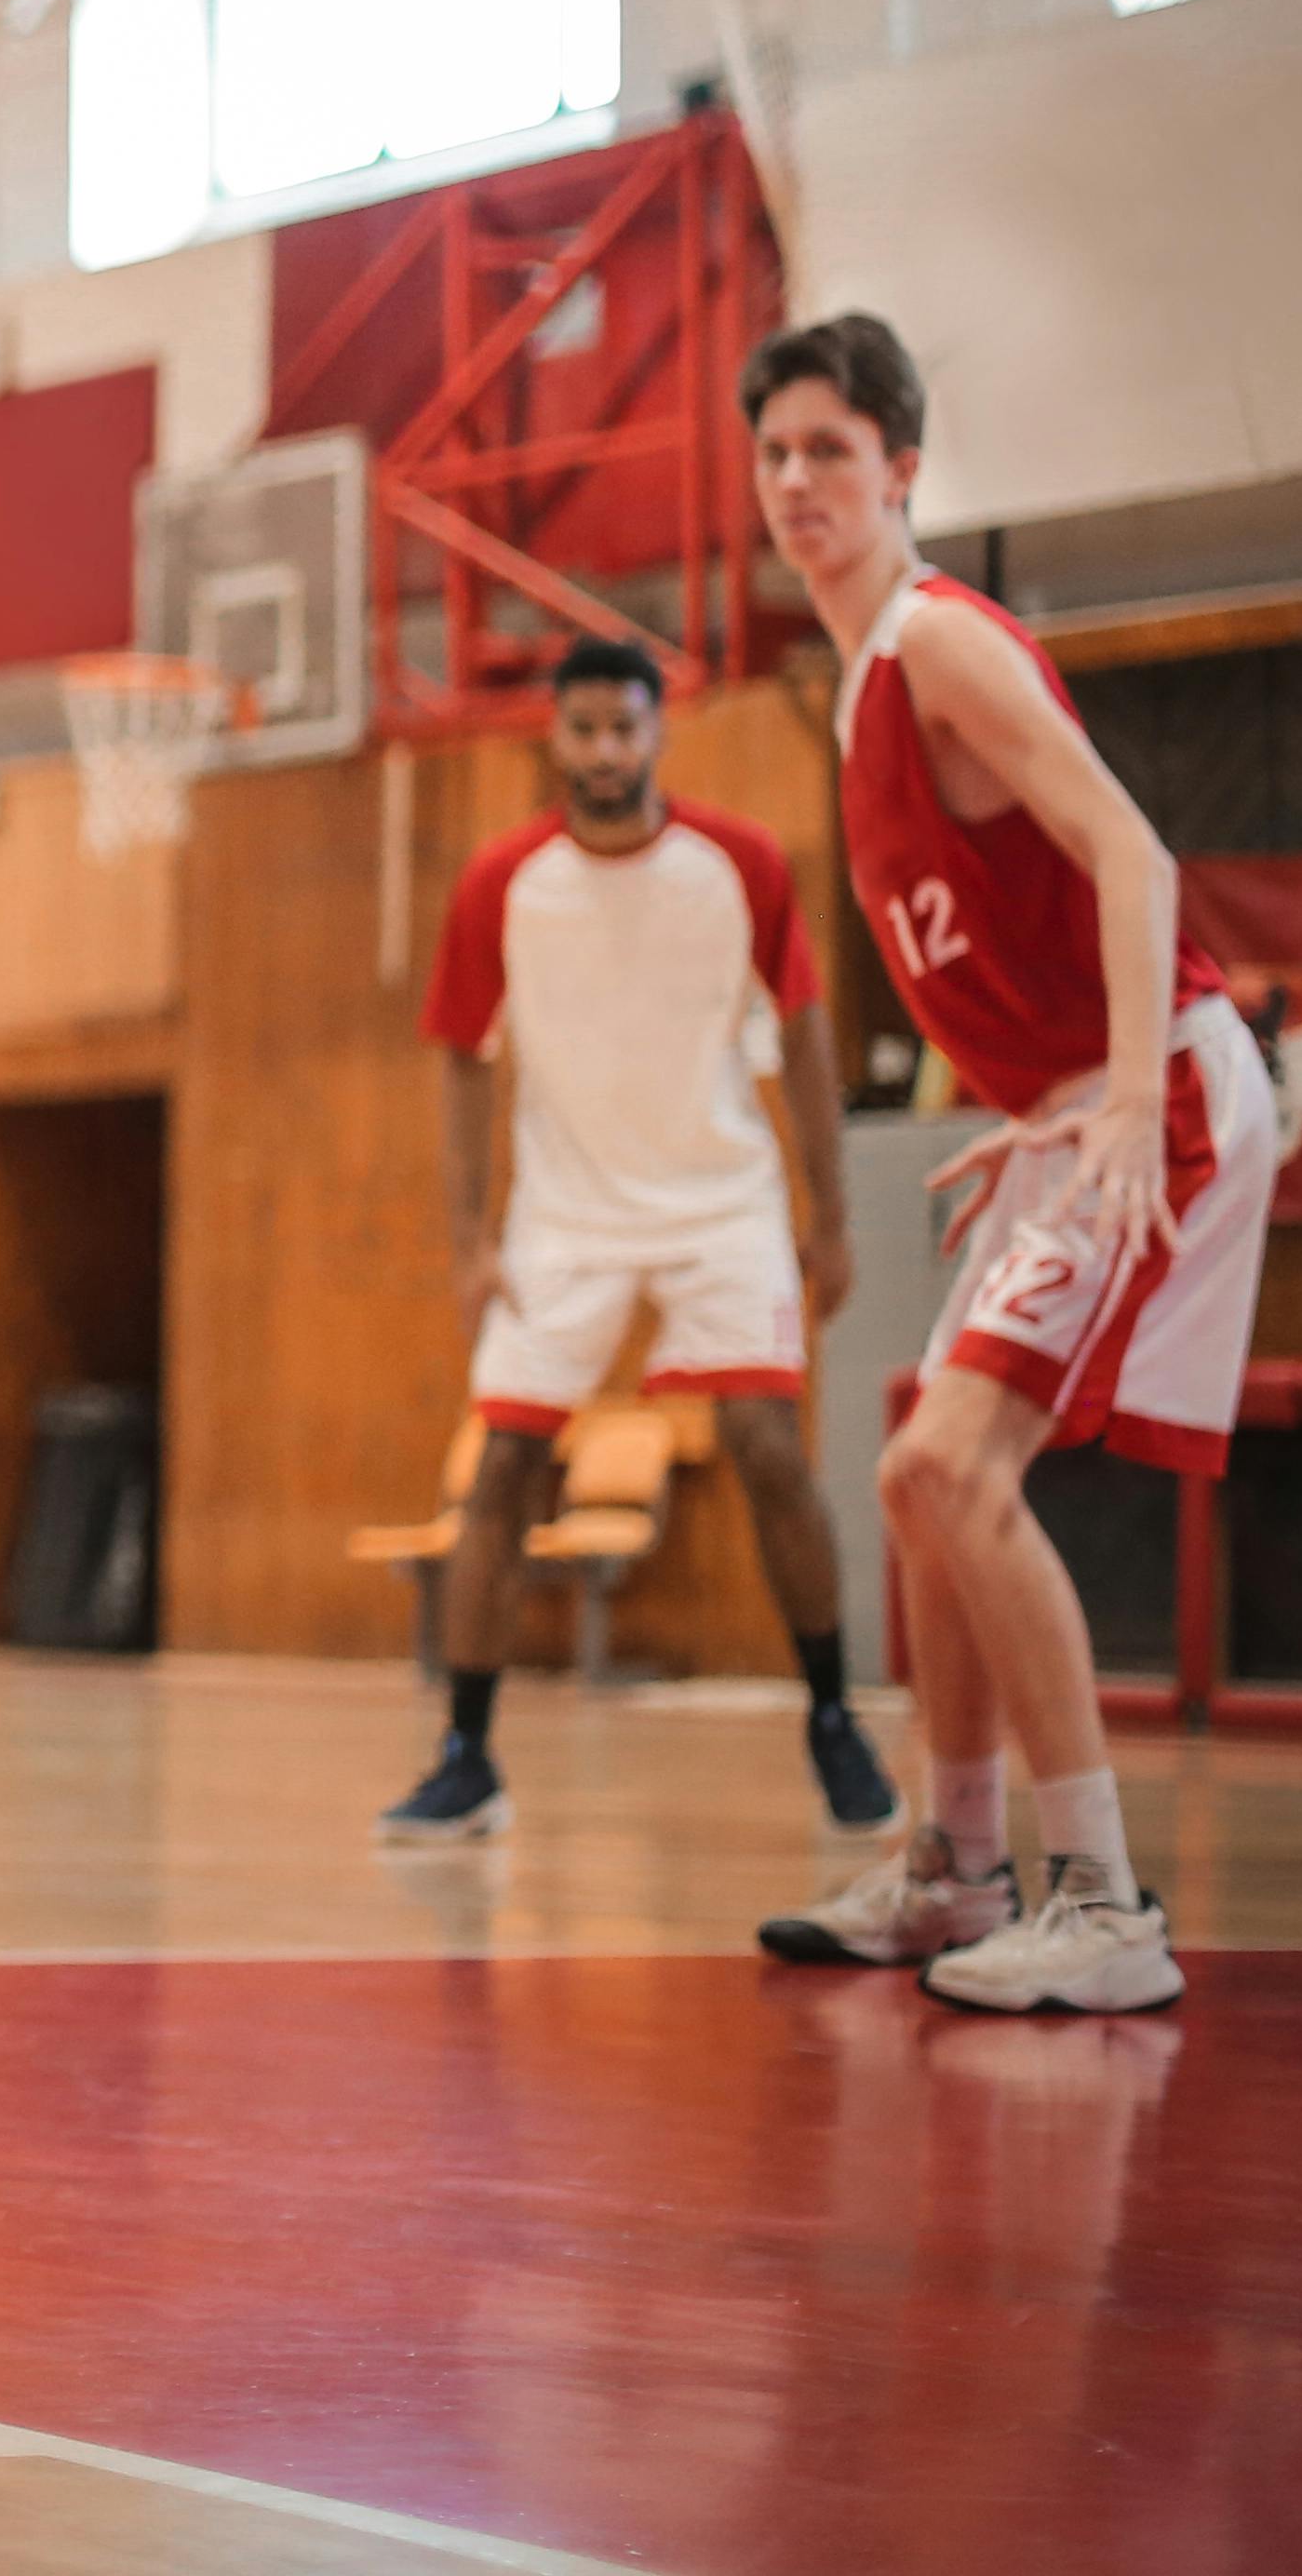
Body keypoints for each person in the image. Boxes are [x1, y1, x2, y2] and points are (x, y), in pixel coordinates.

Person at [737, 314, 1274, 2017]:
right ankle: (956, 1872)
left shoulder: (936, 643)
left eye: (832, 449)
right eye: (775, 454)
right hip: (1078, 1096)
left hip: (1165, 1086)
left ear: (903, 473)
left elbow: (1133, 850)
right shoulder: (854, 696)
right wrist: (1032, 1095)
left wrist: (1118, 1100)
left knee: (954, 1467)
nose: (798, 480)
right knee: (917, 1468)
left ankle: (1103, 1905)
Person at [382, 634, 890, 1847]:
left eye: (625, 727)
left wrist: (830, 1217)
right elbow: (460, 1055)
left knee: (769, 1446)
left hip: (723, 1201)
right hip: (563, 1216)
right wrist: (468, 1235)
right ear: (553, 737)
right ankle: (466, 1755)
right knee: (499, 1470)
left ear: (659, 731)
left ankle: (832, 1717)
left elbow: (809, 1037)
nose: (605, 750)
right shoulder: (501, 884)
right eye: (584, 730)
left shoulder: (743, 866)